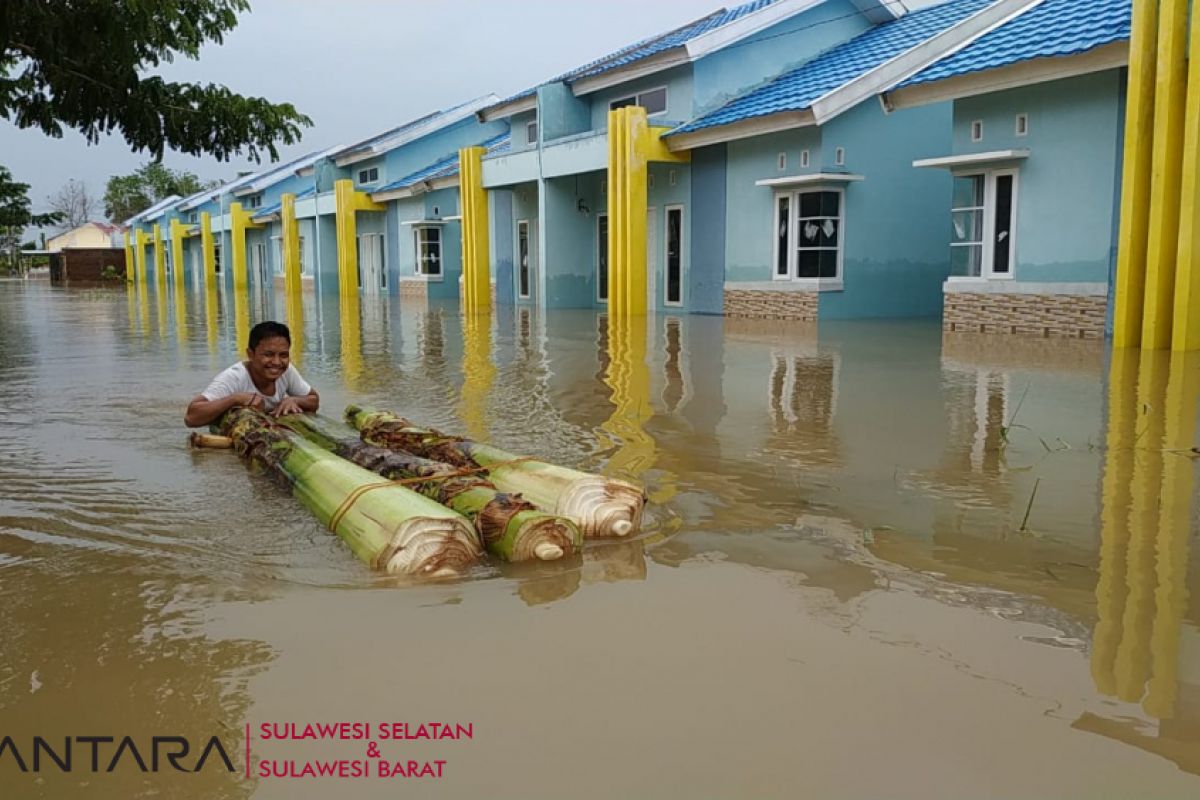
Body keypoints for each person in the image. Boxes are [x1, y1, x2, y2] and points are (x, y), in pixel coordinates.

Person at [184, 321, 319, 428]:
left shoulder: (287, 370)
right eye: (268, 355)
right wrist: (234, 399)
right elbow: (190, 417)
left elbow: (313, 399)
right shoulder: (234, 377)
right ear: (251, 354)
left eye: (283, 355)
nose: (277, 362)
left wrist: (294, 400)